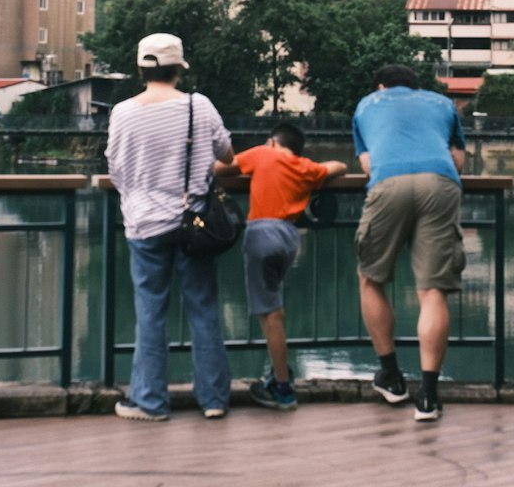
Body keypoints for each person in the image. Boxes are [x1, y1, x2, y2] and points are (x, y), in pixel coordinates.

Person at [105, 32, 235, 422]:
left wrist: (141, 194)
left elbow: (116, 169)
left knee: (151, 314)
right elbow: (227, 155)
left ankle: (150, 402)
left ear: (142, 68)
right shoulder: (199, 106)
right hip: (193, 225)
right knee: (204, 309)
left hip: (144, 224)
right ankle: (213, 400)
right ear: (178, 68)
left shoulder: (123, 111)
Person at [352, 63, 466, 423]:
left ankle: (392, 377)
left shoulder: (367, 105)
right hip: (440, 182)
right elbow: (458, 161)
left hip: (389, 184)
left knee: (371, 277)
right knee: (432, 290)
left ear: (381, 86)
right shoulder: (442, 103)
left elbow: (369, 167)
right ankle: (428, 397)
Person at [213, 122, 346, 411]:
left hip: (262, 234)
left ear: (273, 141)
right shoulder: (304, 166)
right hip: (288, 238)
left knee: (271, 314)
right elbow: (339, 167)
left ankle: (282, 387)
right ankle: (278, 373)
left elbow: (221, 168)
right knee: (274, 305)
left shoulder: (264, 153)